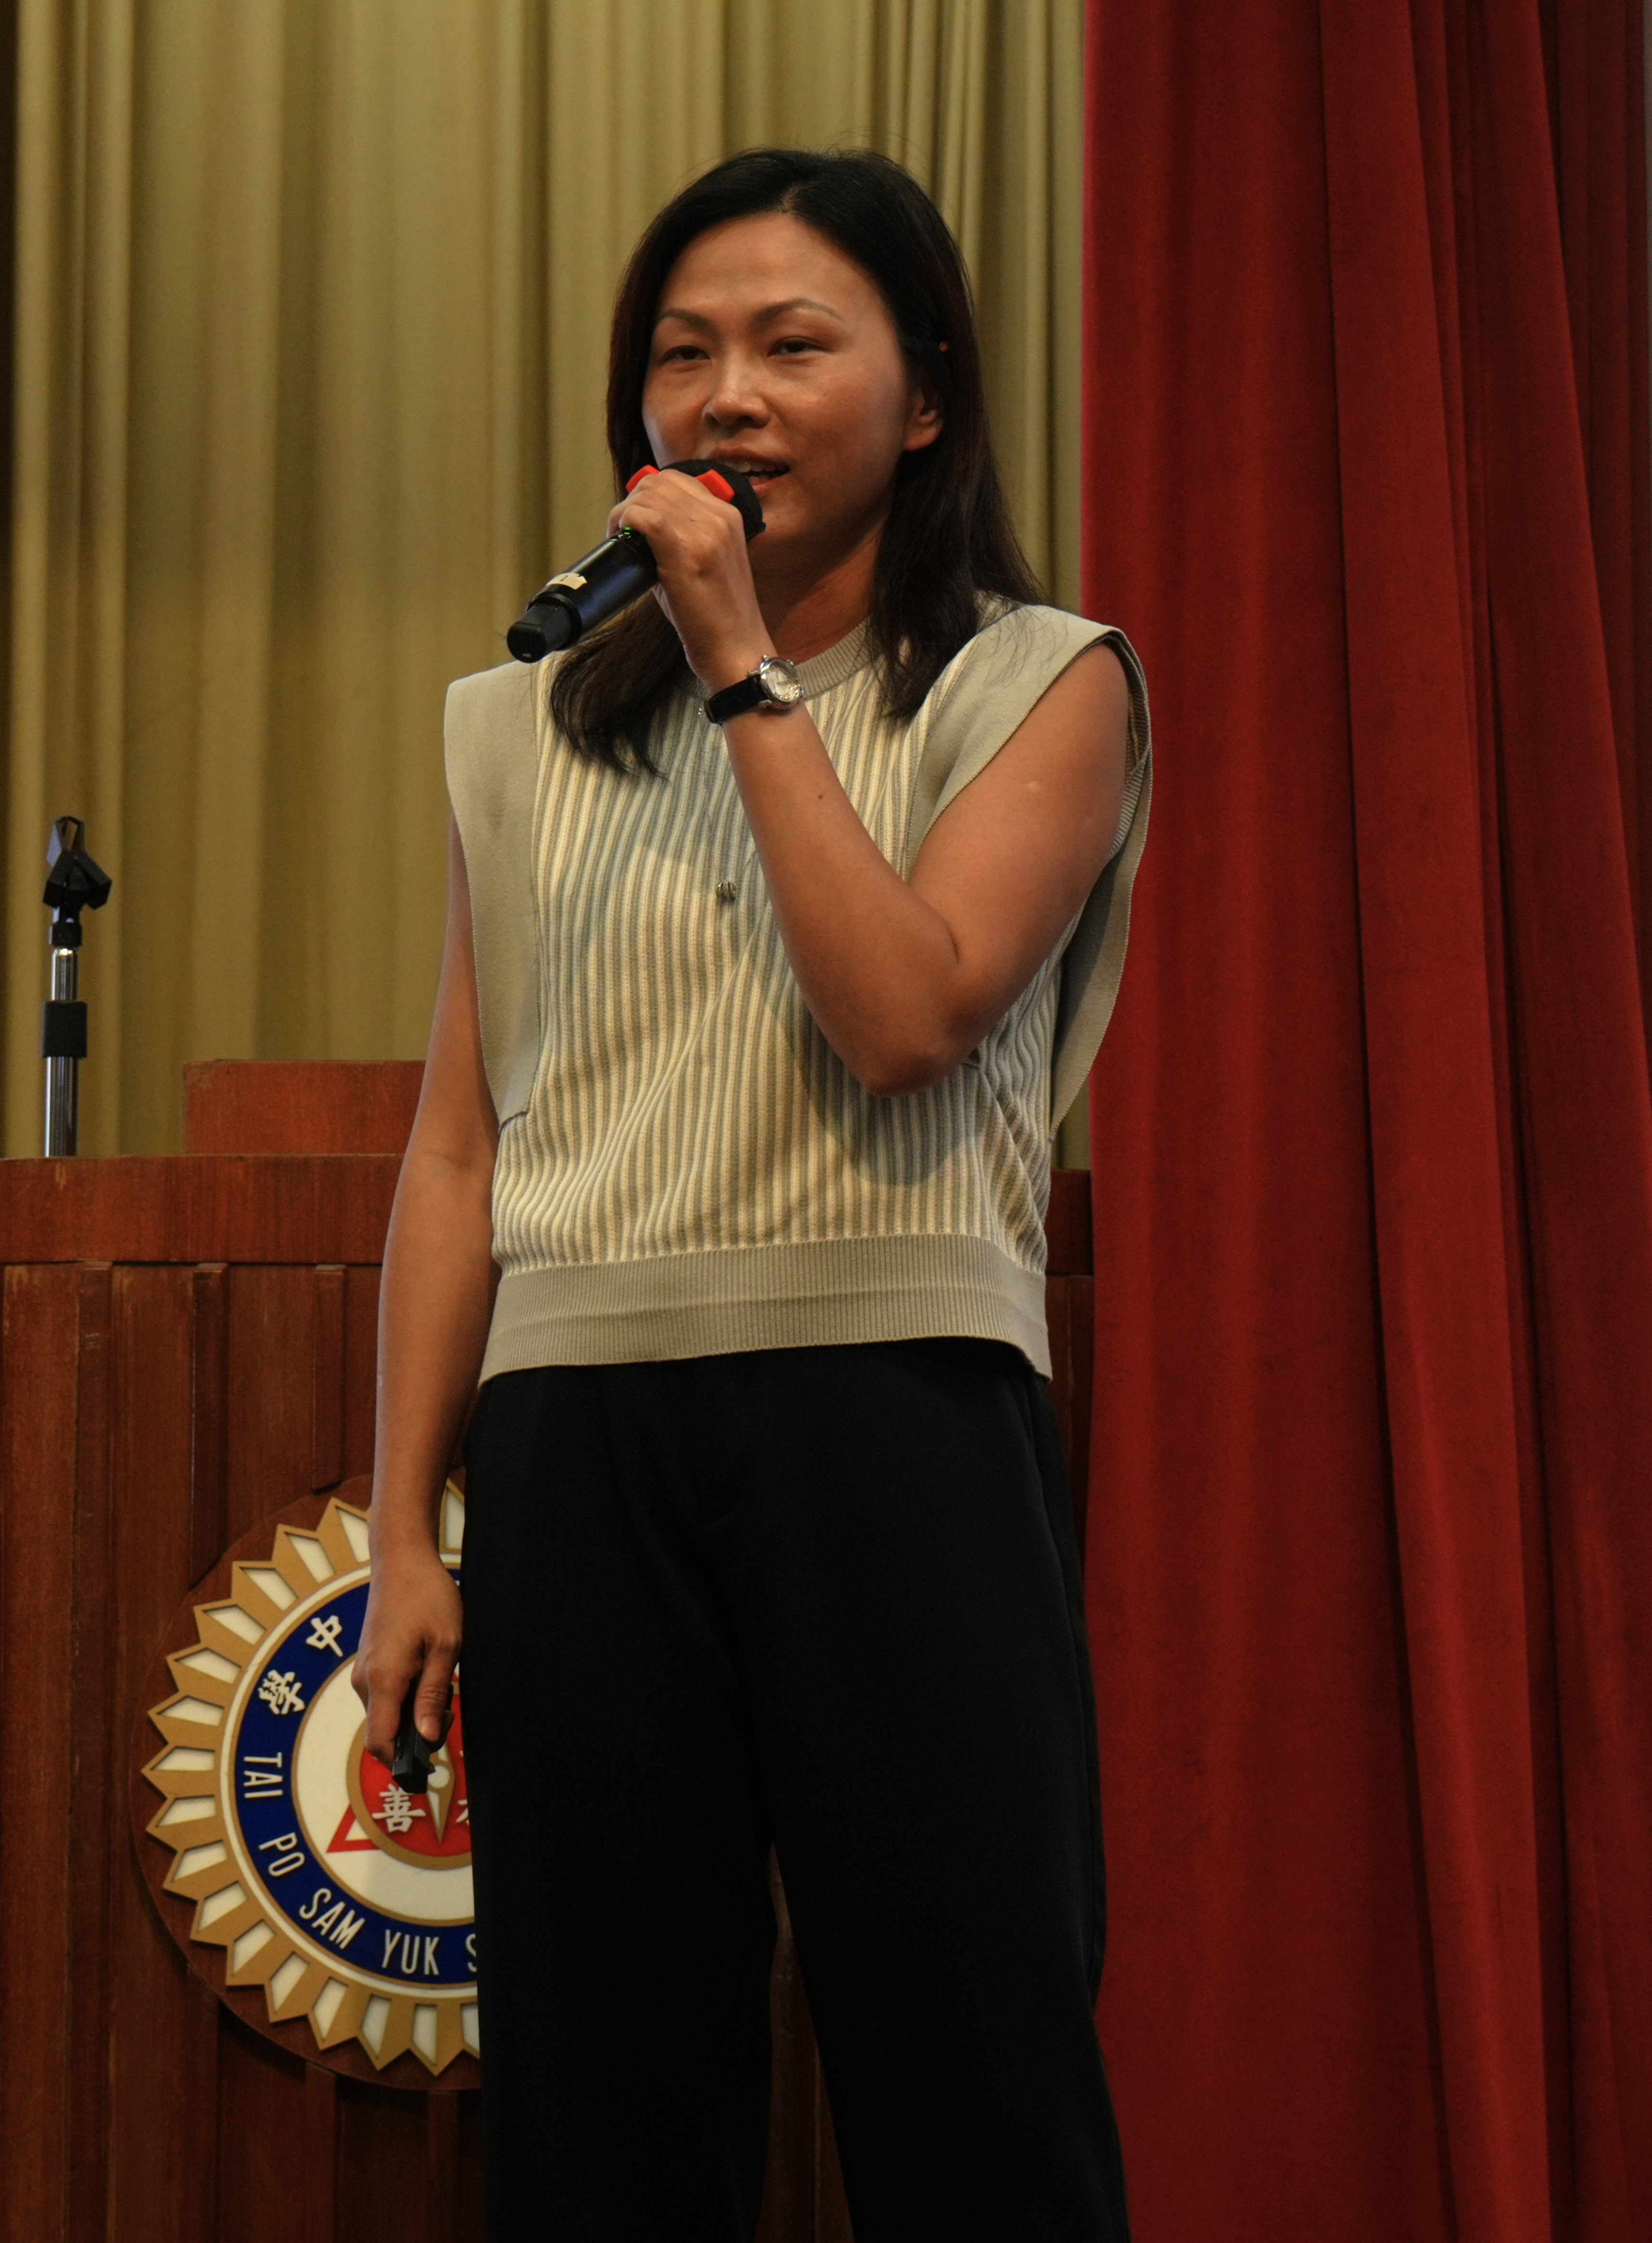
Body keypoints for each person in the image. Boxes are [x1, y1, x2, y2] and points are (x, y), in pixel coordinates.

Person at [356, 146, 1148, 2241]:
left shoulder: (1040, 682)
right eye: (683, 353)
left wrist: (740, 675)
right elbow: (461, 1146)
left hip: (900, 1417)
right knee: (605, 2097)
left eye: (794, 346)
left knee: (969, 2068)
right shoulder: (520, 726)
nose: (727, 397)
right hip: (577, 1438)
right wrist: (406, 1530)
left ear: (925, 396)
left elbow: (905, 1017)